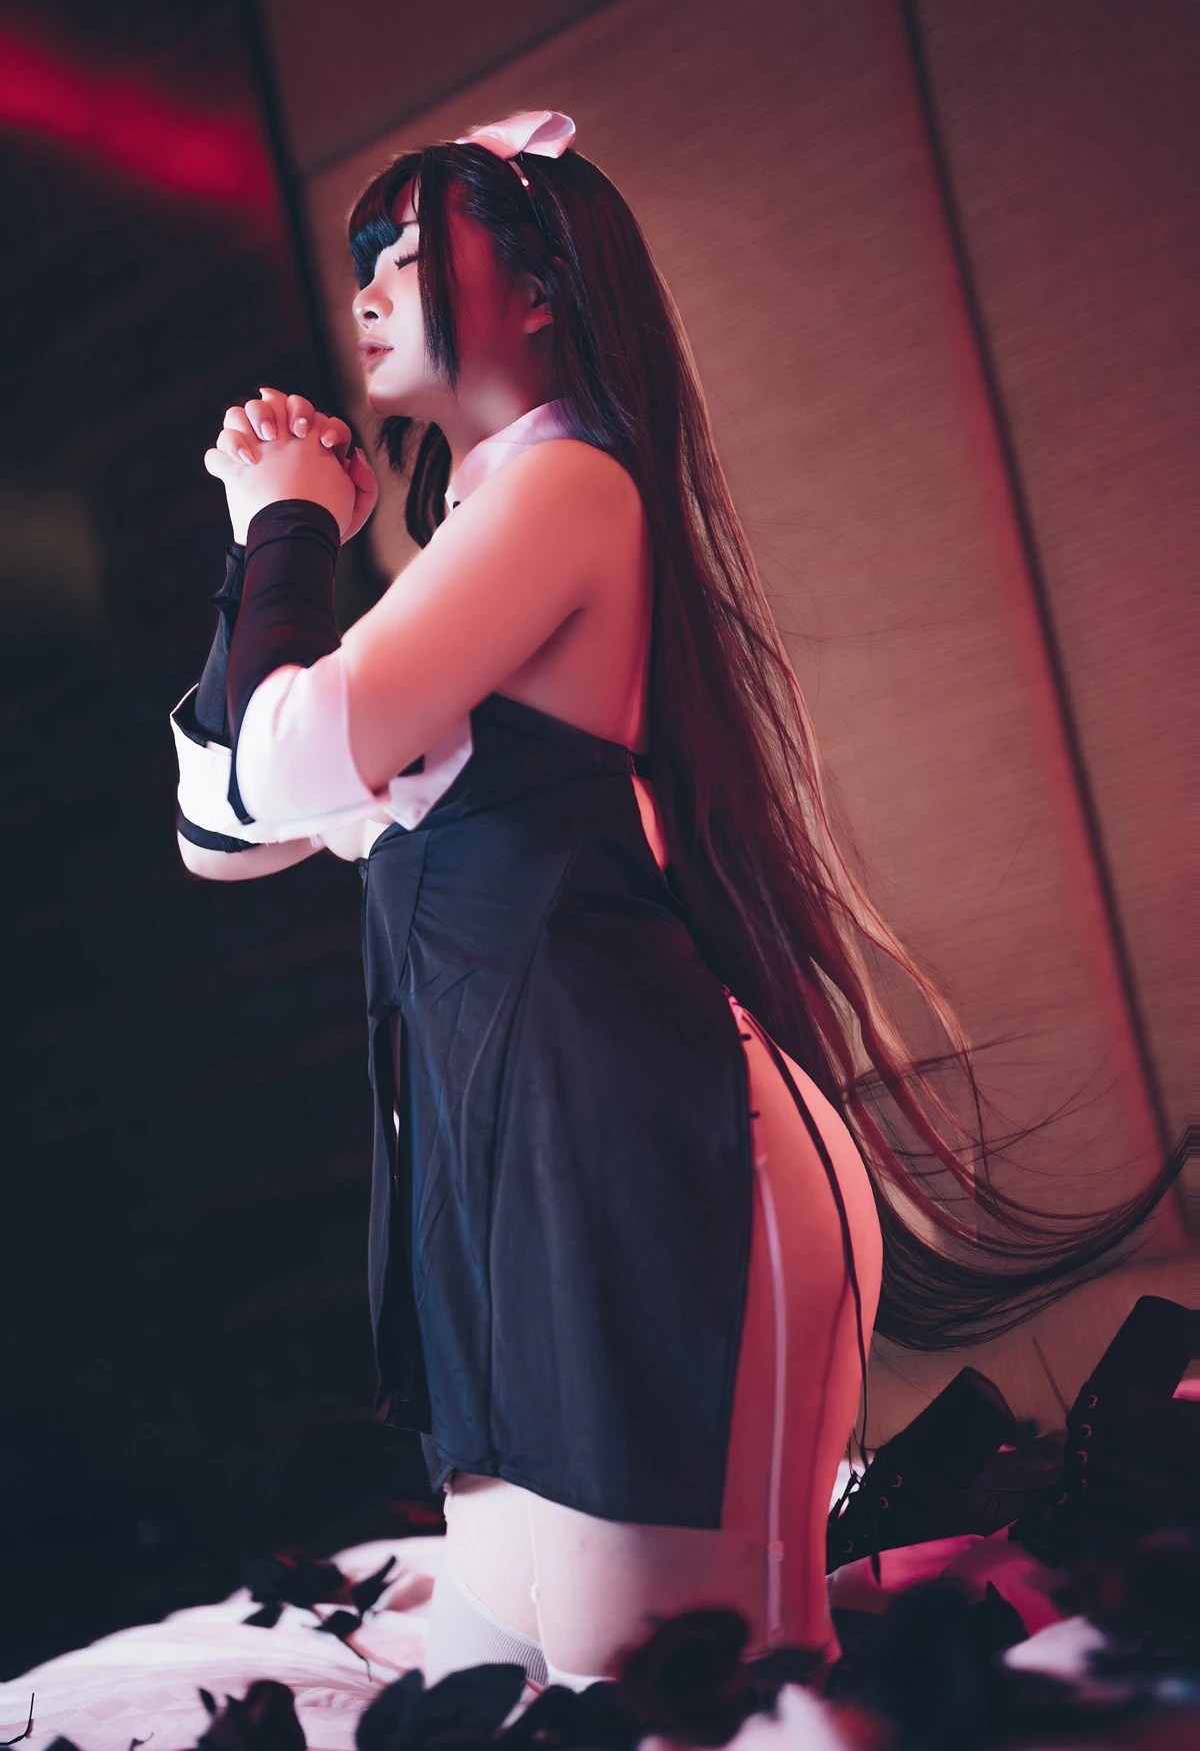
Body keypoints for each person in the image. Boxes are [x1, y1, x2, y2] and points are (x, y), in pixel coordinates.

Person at [169, 110, 1187, 1693]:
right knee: (531, 1686)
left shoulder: (572, 487)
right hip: (518, 1184)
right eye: (365, 258)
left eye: (414, 255)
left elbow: (288, 758)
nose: (368, 288)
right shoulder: (469, 547)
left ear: (539, 291)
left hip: (649, 1171)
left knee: (682, 1697)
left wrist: (285, 527)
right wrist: (277, 559)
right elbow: (220, 827)